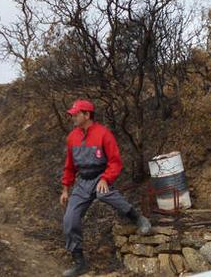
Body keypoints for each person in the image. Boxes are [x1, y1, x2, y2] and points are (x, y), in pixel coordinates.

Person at [60, 99, 151, 277]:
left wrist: (106, 178)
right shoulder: (72, 137)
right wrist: (65, 189)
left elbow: (115, 162)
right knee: (69, 219)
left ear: (87, 115)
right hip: (82, 182)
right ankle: (79, 263)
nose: (73, 118)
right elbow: (69, 166)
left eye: (76, 114)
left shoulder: (103, 134)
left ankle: (139, 219)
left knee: (105, 194)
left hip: (101, 177)